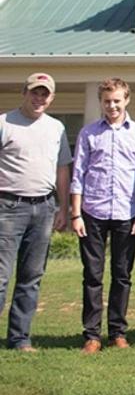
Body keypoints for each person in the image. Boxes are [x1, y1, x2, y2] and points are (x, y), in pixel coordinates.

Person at [68, 77, 135, 353]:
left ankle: (118, 332)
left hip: (127, 213)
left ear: (126, 100)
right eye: (107, 101)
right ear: (100, 102)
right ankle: (92, 335)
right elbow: (78, 174)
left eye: (117, 100)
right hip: (93, 211)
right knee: (92, 275)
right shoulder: (88, 133)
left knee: (122, 275)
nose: (112, 106)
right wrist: (76, 214)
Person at [0, 73, 71, 352]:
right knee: (1, 276)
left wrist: (62, 207)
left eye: (45, 94)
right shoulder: (4, 123)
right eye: (35, 92)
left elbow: (62, 169)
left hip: (43, 207)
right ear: (24, 93)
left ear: (51, 97)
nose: (39, 98)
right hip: (8, 207)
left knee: (31, 276)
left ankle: (19, 338)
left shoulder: (56, 128)